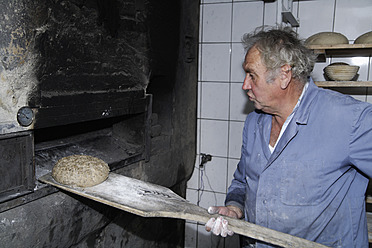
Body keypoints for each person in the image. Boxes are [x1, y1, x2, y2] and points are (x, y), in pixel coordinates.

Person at [205, 26, 372, 248]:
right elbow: (243, 180)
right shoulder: (255, 121)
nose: (245, 85)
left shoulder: (350, 121)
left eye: (252, 75)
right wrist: (235, 207)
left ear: (284, 75)